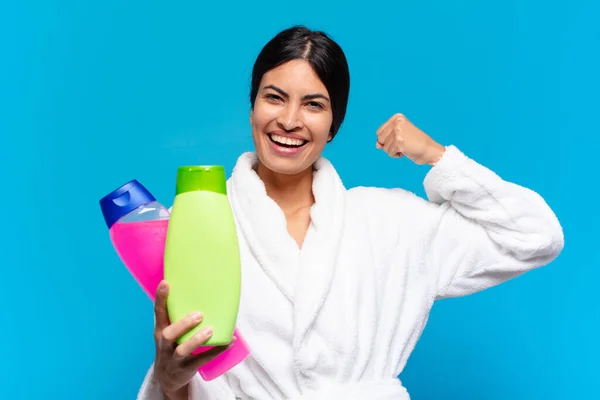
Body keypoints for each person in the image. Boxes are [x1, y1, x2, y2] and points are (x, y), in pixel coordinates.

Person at [137, 25, 564, 400]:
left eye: (313, 104)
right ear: (252, 107)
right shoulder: (195, 222)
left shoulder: (390, 221)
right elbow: (198, 375)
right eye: (274, 97)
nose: (289, 120)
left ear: (333, 123)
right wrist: (172, 382)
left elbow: (536, 236)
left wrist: (438, 157)